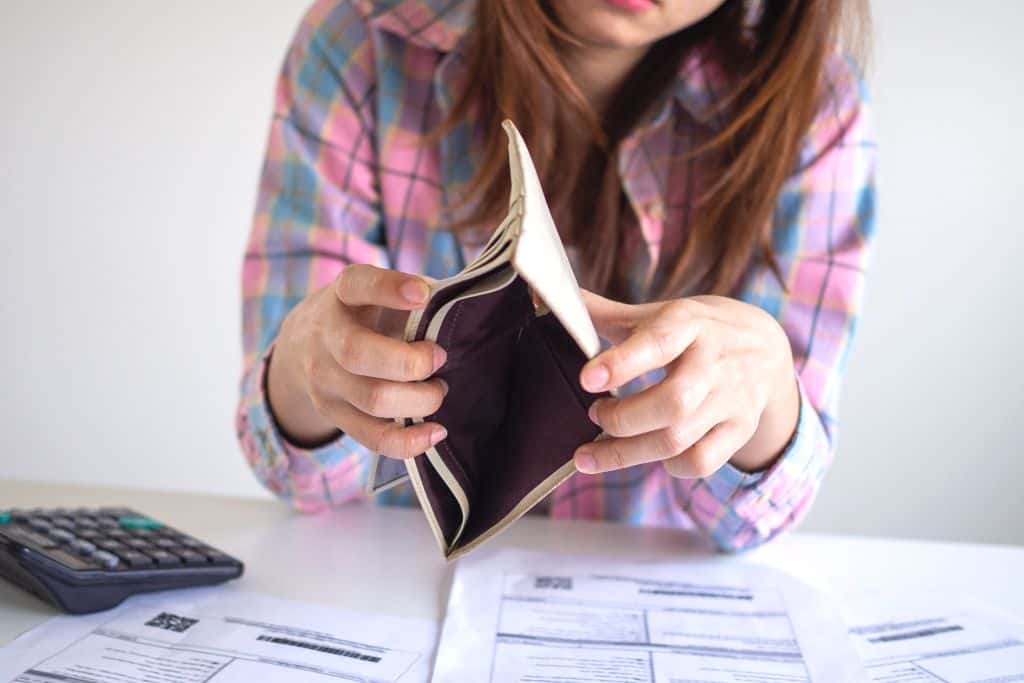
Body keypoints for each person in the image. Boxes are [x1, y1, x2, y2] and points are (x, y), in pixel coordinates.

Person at [237, 0, 876, 552]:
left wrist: (766, 399)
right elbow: (300, 478)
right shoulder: (364, 42)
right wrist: (304, 368)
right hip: (401, 581)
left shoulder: (815, 104)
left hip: (645, 594)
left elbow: (754, 521)